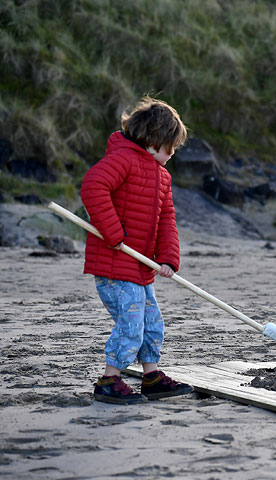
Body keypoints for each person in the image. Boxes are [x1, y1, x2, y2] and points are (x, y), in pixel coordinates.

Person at [81, 96, 194, 404]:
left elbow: (166, 218)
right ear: (153, 139)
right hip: (114, 266)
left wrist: (168, 259)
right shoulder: (124, 159)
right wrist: (113, 233)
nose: (172, 153)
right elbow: (93, 186)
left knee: (152, 322)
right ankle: (109, 380)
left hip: (140, 269)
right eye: (169, 146)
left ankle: (152, 376)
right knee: (131, 324)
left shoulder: (162, 175)